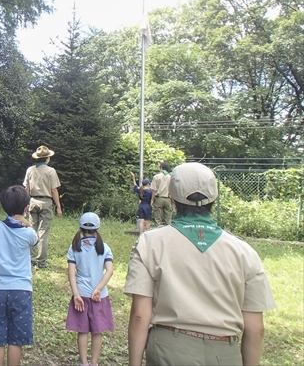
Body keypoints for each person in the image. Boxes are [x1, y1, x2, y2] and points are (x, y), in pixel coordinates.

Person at [124, 162, 276, 366]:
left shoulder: (150, 243)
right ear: (215, 197)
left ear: (172, 197)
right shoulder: (245, 252)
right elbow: (256, 328)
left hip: (168, 351)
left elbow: (140, 316)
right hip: (225, 353)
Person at [0, 185, 39, 366]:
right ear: (26, 208)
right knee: (16, 338)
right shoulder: (28, 233)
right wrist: (28, 222)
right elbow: (36, 239)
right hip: (21, 290)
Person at [66, 212, 115, 366]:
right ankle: (94, 363)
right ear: (98, 229)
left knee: (82, 330)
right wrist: (99, 289)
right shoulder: (105, 247)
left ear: (80, 229)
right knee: (97, 331)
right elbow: (110, 271)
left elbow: (71, 273)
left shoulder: (74, 247)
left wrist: (75, 294)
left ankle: (83, 362)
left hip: (80, 294)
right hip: (99, 296)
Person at [23, 145, 62, 269]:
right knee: (43, 232)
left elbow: (26, 189)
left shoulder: (30, 170)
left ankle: (31, 258)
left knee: (32, 230)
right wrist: (59, 207)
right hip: (46, 202)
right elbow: (54, 190)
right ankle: (41, 261)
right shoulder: (51, 171)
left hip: (33, 201)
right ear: (47, 158)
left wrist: (25, 204)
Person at [150, 161, 173, 225]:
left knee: (158, 217)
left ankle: (159, 229)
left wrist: (152, 200)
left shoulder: (157, 177)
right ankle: (168, 230)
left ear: (161, 168)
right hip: (168, 198)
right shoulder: (170, 177)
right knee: (168, 217)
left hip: (159, 198)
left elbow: (154, 190)